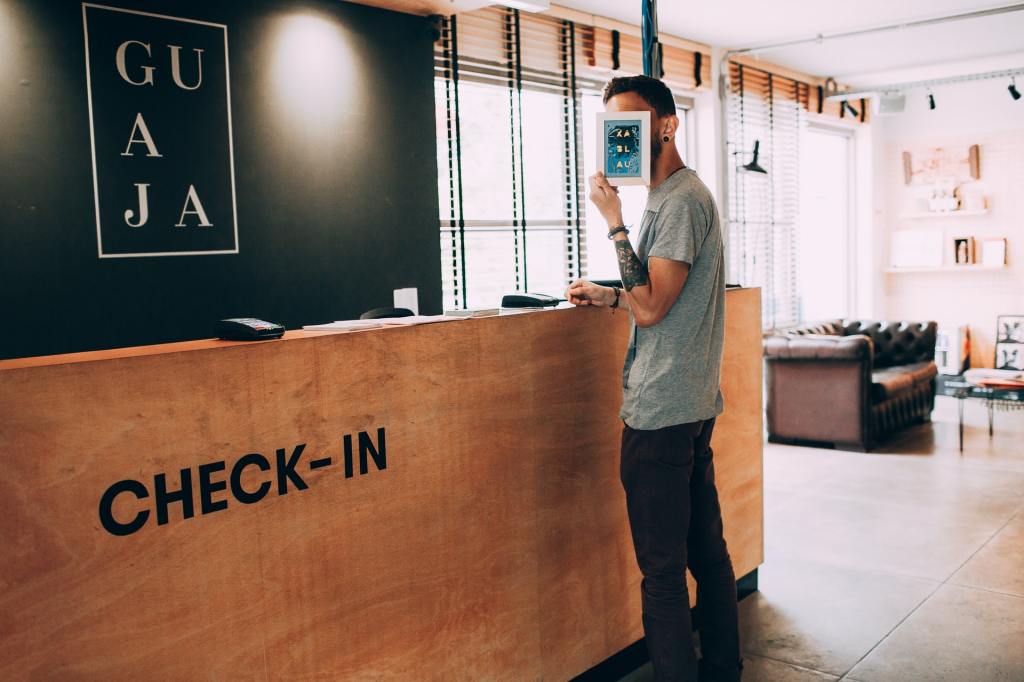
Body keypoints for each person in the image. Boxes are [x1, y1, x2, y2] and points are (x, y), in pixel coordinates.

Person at [565, 75, 741, 682]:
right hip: (686, 403)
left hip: (661, 412)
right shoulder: (675, 199)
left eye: (632, 126)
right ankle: (723, 669)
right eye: (614, 129)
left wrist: (613, 222)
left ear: (666, 126)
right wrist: (609, 296)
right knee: (707, 555)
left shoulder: (679, 201)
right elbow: (655, 298)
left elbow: (653, 308)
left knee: (663, 574)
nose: (622, 141)